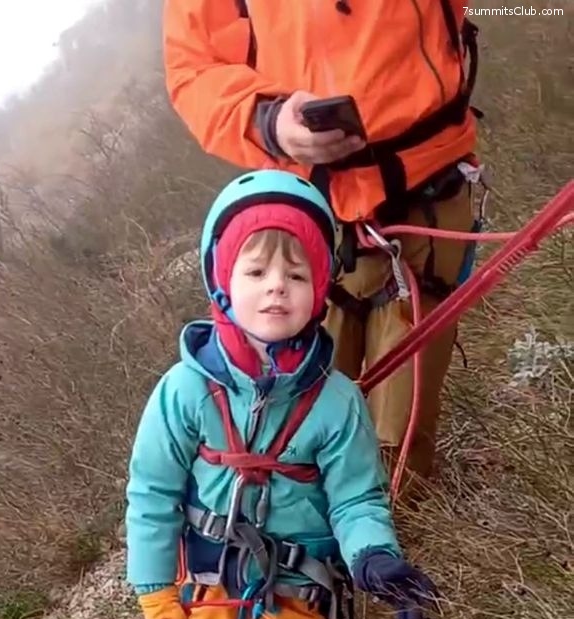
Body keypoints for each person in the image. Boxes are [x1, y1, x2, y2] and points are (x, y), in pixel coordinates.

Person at [125, 170, 438, 619]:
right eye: (256, 271)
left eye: (296, 275)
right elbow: (152, 490)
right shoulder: (183, 390)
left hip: (302, 571)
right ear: (222, 281)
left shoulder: (337, 401)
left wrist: (375, 555)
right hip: (212, 566)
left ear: (320, 290)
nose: (276, 287)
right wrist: (154, 583)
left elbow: (356, 497)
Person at [162, 0, 486, 488]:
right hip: (309, 220)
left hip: (426, 191)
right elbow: (194, 67)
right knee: (295, 440)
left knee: (398, 446)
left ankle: (388, 527)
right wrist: (266, 119)